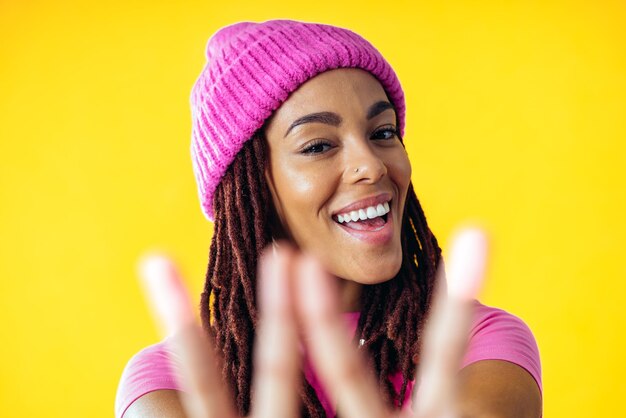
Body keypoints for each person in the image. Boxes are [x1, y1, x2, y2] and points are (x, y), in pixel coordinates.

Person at [115, 19, 542, 418]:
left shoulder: (483, 346)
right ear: (249, 190)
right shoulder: (166, 384)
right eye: (318, 146)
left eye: (383, 133)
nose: (372, 165)